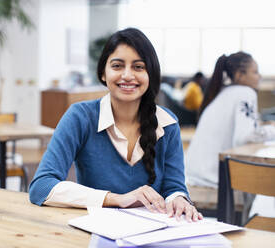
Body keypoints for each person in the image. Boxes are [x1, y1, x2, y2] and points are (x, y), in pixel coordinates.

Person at [29, 28, 202, 221]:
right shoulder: (80, 117)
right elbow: (41, 186)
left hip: (153, 233)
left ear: (150, 74)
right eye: (117, 66)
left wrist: (178, 198)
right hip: (95, 231)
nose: (127, 75)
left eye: (138, 67)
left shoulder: (167, 123)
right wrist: (117, 199)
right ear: (103, 73)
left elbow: (174, 186)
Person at [185, 51, 275, 188]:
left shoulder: (224, 92)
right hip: (211, 179)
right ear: (240, 75)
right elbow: (245, 137)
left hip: (193, 173)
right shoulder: (245, 92)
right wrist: (272, 130)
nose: (260, 76)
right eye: (255, 72)